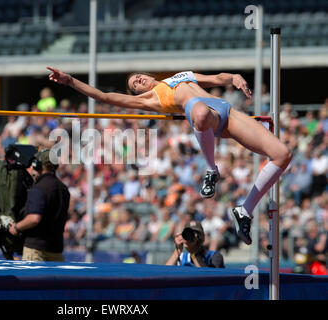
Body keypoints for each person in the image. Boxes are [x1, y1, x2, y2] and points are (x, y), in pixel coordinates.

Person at [47, 67, 293, 245]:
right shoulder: (149, 99)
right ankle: (211, 169)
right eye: (135, 85)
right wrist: (70, 81)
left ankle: (245, 210)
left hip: (224, 110)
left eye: (138, 76)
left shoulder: (181, 76)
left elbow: (216, 78)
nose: (139, 80)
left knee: (282, 154)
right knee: (199, 112)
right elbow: (105, 97)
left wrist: (234, 77)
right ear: (137, 93)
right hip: (203, 116)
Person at [9, 149, 70, 261]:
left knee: (33, 279)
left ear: (38, 165)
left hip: (36, 250)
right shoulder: (63, 189)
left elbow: (34, 218)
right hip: (56, 250)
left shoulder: (39, 188)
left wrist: (17, 227)